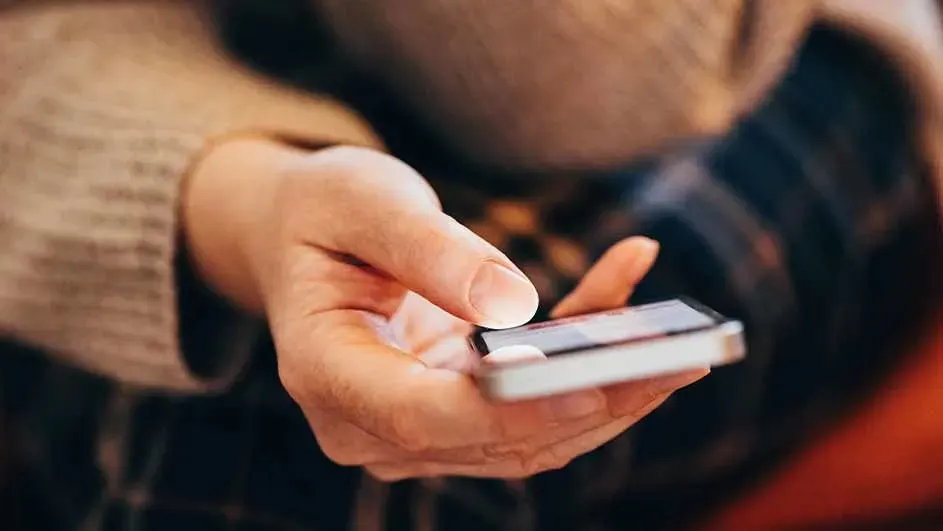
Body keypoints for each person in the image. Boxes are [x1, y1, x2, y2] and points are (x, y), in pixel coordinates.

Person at [0, 1, 940, 530]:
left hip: (722, 63)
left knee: (316, 475)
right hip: (159, 125)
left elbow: (592, 88)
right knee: (258, 431)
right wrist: (253, 202)